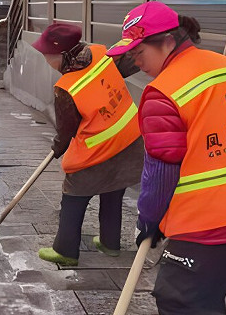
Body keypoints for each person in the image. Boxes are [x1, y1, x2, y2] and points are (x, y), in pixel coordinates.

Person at [106, 1, 226, 314]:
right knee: (200, 297)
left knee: (180, 298)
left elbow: (160, 172)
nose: (137, 61)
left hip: (210, 217)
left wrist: (148, 220)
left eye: (139, 51)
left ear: (168, 41)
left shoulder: (163, 92)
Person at [30, 23, 143, 266]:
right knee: (113, 191)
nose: (47, 60)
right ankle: (110, 244)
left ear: (63, 55)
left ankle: (65, 251)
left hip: (97, 150)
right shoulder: (102, 54)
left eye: (48, 56)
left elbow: (66, 130)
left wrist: (57, 148)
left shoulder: (66, 87)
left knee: (73, 197)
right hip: (130, 141)